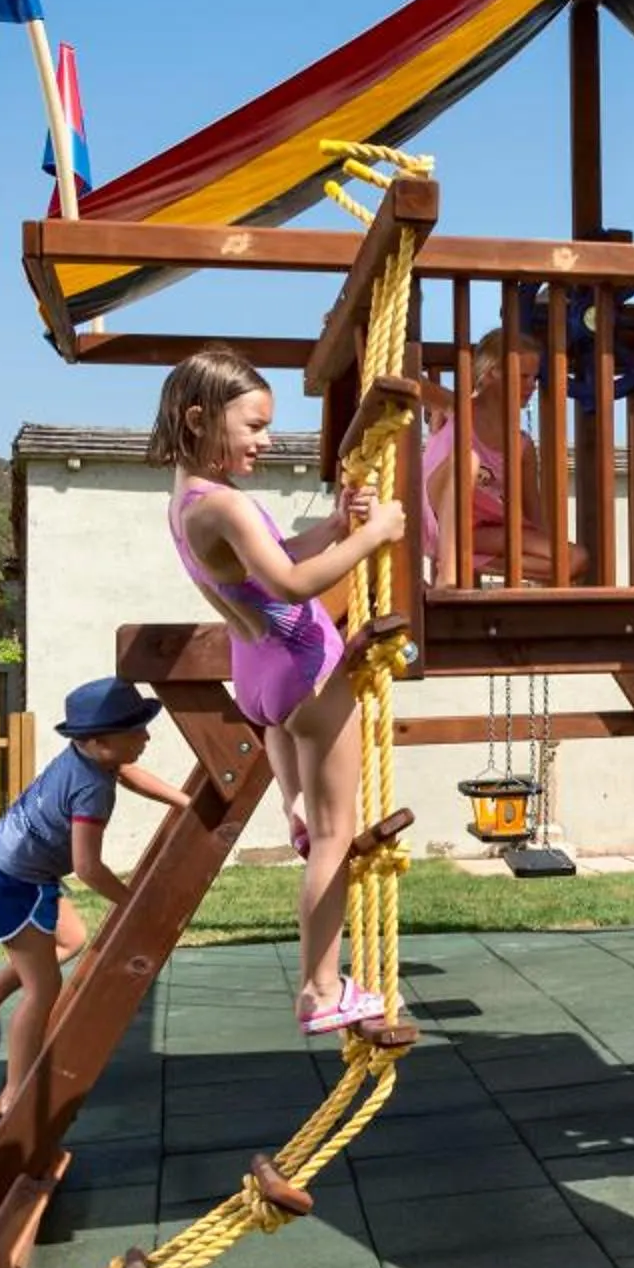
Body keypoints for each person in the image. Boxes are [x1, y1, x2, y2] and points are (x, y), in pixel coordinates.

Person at [150, 344, 407, 1033]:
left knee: (313, 823)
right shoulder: (226, 505)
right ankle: (321, 992)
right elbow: (296, 586)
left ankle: (294, 806)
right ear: (201, 418)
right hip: (304, 669)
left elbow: (275, 563)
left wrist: (334, 526)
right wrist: (376, 533)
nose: (266, 441)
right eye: (254, 426)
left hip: (260, 677)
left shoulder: (189, 503)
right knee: (335, 838)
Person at [0, 678, 194, 1121]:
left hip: (11, 864)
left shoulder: (90, 758)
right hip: (9, 879)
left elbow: (127, 772)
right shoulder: (92, 789)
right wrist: (133, 903)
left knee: (71, 938)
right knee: (44, 987)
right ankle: (15, 1093)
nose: (146, 736)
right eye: (135, 730)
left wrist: (184, 801)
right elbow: (88, 867)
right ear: (98, 741)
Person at [420, 326, 588, 587]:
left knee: (575, 559)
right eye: (522, 376)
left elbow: (534, 520)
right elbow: (405, 380)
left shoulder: (521, 446)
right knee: (469, 460)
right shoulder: (456, 407)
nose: (531, 385)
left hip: (480, 534)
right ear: (491, 374)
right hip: (437, 520)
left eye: (534, 377)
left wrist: (547, 560)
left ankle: (471, 561)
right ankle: (449, 573)